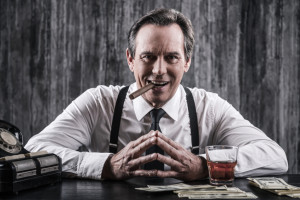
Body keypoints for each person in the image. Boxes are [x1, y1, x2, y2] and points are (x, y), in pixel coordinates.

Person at [25, 8, 288, 181]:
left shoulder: (210, 108)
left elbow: (275, 156)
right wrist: (106, 166)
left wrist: (203, 165)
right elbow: (34, 150)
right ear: (130, 60)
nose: (158, 71)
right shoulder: (99, 103)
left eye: (172, 57)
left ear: (187, 61)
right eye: (147, 57)